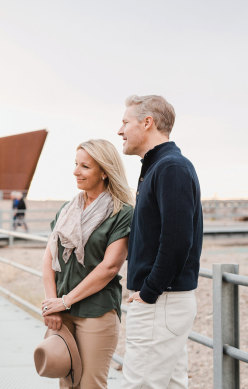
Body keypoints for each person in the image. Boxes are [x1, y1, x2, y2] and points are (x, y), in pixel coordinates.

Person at [118, 95, 202, 388]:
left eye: (125, 122)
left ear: (147, 122)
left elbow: (178, 240)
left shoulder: (170, 168)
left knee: (139, 384)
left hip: (161, 301)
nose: (120, 130)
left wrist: (150, 291)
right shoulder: (159, 167)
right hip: (163, 300)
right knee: (170, 384)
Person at [41, 139, 134, 388]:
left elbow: (110, 267)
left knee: (91, 384)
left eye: (85, 166)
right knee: (67, 382)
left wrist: (65, 300)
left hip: (97, 311)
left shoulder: (122, 213)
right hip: (63, 311)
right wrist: (53, 305)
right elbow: (49, 257)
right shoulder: (67, 209)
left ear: (104, 171)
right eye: (75, 164)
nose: (76, 171)